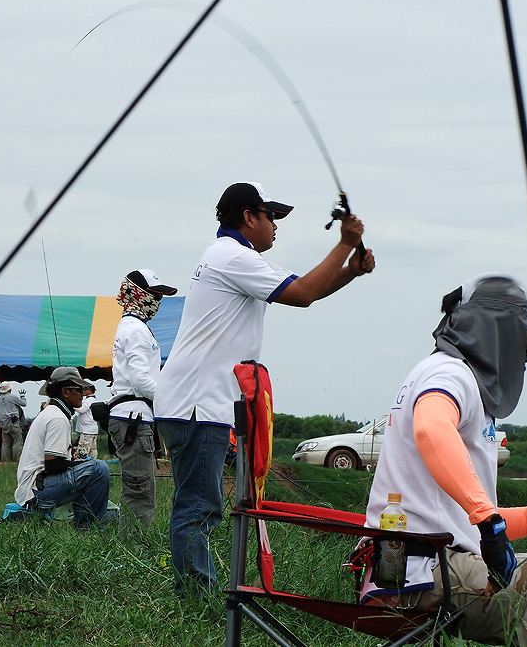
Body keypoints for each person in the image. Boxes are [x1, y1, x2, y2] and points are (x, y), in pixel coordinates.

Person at [155, 181, 376, 596]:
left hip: (190, 402)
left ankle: (197, 591)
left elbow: (305, 292)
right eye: (270, 216)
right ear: (248, 218)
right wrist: (346, 244)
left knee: (196, 504)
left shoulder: (229, 256)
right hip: (199, 405)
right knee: (198, 508)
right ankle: (195, 599)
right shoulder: (234, 257)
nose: (276, 226)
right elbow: (304, 293)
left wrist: (349, 270)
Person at [360, 274, 527, 647]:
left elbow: (463, 522)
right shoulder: (450, 374)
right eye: (525, 343)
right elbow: (431, 428)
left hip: (417, 563)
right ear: (496, 333)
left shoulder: (450, 376)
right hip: (416, 570)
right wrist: (488, 522)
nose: (526, 357)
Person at [109, 269, 178, 530]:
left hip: (130, 417)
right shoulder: (136, 329)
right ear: (139, 294)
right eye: (154, 295)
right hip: (134, 420)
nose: (157, 303)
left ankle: (131, 547)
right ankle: (133, 552)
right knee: (140, 493)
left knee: (137, 490)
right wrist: (171, 400)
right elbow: (140, 380)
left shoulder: (133, 326)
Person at [14, 366, 113, 527]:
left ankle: (86, 518)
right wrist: (82, 465)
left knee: (111, 513)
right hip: (37, 492)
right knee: (99, 469)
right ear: (65, 392)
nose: (83, 393)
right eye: (79, 389)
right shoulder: (57, 417)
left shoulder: (54, 413)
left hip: (34, 488)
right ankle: (86, 526)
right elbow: (53, 465)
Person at [0, 382, 27, 462]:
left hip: (4, 424)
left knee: (5, 444)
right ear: (9, 389)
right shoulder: (12, 397)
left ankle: (5, 461)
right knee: (17, 442)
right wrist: (22, 396)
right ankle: (16, 461)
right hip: (13, 423)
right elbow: (24, 404)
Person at [72, 384, 98, 460]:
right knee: (92, 451)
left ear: (89, 390)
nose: (83, 392)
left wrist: (73, 404)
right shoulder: (94, 400)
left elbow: (81, 409)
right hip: (92, 429)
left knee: (82, 452)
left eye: (84, 389)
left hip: (86, 430)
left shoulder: (88, 401)